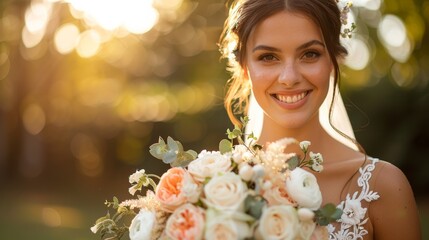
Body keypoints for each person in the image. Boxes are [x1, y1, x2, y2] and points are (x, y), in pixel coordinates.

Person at [218, 0, 422, 239]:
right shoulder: (208, 187)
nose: (289, 77)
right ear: (244, 67)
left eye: (310, 54)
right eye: (268, 57)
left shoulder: (382, 187)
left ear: (334, 61)